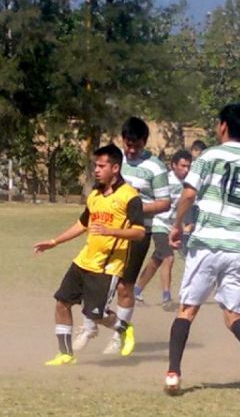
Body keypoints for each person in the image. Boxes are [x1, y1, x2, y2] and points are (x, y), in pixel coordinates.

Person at [34, 144, 146, 366]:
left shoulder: (130, 196)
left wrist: (111, 231)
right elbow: (82, 224)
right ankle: (65, 353)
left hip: (107, 266)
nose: (96, 169)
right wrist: (55, 242)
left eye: (101, 166)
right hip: (83, 261)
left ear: (115, 168)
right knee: (61, 302)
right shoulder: (95, 194)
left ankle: (124, 328)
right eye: (95, 165)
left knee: (95, 314)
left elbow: (140, 232)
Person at [164, 104, 240, 395]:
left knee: (187, 310)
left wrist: (177, 223)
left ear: (223, 126)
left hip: (207, 243)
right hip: (237, 247)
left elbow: (189, 193)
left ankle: (173, 373)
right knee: (234, 315)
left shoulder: (208, 156)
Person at [97, 117, 171, 355]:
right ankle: (89, 327)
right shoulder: (115, 160)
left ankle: (119, 335)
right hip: (107, 230)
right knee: (96, 280)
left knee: (124, 286)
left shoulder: (156, 167)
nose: (131, 150)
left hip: (138, 233)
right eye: (127, 144)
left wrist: (135, 207)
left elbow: (164, 203)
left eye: (136, 145)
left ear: (144, 142)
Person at [134, 150, 193, 311]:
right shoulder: (164, 180)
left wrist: (187, 224)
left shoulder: (190, 183)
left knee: (157, 260)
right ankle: (167, 298)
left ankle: (136, 291)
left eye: (188, 166)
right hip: (159, 223)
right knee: (168, 258)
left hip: (174, 227)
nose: (186, 169)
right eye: (182, 166)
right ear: (173, 165)